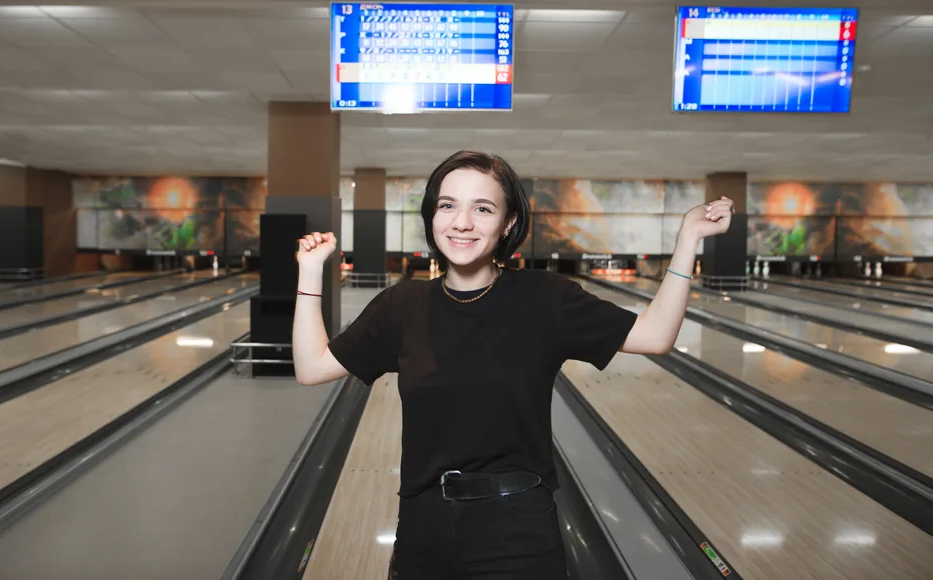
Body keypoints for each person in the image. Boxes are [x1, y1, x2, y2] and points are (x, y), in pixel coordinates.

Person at [292, 150, 734, 579]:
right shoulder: (402, 305)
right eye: (448, 205)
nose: (461, 222)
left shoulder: (544, 298)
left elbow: (655, 336)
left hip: (515, 529)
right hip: (422, 524)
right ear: (432, 215)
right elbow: (311, 368)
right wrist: (310, 272)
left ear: (508, 223)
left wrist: (687, 242)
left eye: (482, 208)